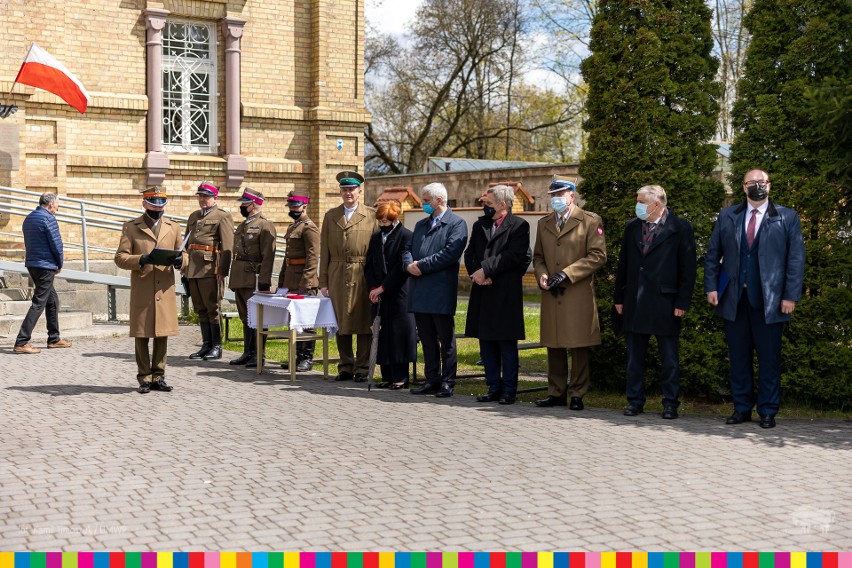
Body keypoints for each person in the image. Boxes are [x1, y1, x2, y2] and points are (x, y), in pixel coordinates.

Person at [704, 169, 805, 429]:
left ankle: (768, 410)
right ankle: (741, 408)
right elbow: (713, 253)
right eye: (752, 182)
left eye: (762, 182)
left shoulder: (786, 216)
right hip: (734, 298)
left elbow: (795, 259)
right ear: (743, 186)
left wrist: (790, 295)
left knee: (769, 358)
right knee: (738, 357)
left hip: (770, 300)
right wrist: (712, 287)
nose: (757, 186)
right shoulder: (728, 215)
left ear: (769, 185)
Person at [614, 185, 696, 419]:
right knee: (634, 358)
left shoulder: (680, 228)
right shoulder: (632, 227)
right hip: (635, 301)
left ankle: (670, 403)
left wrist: (682, 301)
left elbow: (687, 270)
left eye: (641, 201)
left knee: (669, 359)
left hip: (665, 303)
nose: (637, 205)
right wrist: (619, 297)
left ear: (657, 204)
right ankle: (634, 401)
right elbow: (623, 264)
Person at [533, 179, 606, 410]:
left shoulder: (590, 221)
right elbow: (538, 257)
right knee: (554, 344)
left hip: (576, 291)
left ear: (572, 196)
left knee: (578, 344)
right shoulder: (544, 223)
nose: (556, 198)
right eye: (553, 194)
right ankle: (556, 393)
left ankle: (577, 393)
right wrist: (542, 275)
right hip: (551, 292)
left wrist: (566, 274)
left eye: (561, 194)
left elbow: (597, 255)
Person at [464, 184, 531, 405]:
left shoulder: (519, 226)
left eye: (489, 203)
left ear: (503, 205)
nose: (485, 206)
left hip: (504, 292)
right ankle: (493, 386)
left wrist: (487, 269)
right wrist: (478, 272)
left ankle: (509, 390)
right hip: (483, 289)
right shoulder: (480, 225)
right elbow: (470, 252)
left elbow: (513, 256)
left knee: (506, 343)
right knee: (487, 342)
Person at [114, 187, 183, 393]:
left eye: (161, 204)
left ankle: (159, 376)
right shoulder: (131, 227)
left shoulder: (173, 227)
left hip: (164, 288)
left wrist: (181, 261)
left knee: (163, 334)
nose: (158, 209)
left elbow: (183, 253)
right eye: (153, 204)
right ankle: (144, 378)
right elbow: (120, 258)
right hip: (143, 287)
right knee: (142, 334)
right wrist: (140, 259)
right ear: (144, 204)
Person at [403, 182, 468, 398]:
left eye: (426, 200)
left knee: (445, 340)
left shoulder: (456, 224)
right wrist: (408, 264)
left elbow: (449, 254)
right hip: (419, 290)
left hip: (440, 290)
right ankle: (431, 379)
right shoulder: (421, 225)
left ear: (439, 200)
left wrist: (421, 266)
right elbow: (407, 248)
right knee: (428, 339)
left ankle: (448, 381)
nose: (423, 204)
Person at [319, 171, 377, 382]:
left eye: (351, 189)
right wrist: (323, 281)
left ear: (360, 191)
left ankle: (361, 368)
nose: (348, 193)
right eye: (344, 189)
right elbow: (324, 251)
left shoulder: (371, 216)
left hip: (362, 274)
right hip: (336, 273)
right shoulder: (331, 216)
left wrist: (376, 281)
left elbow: (377, 252)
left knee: (363, 322)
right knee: (339, 320)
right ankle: (345, 365)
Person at [365, 200, 417, 389]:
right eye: (380, 221)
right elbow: (369, 264)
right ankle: (386, 375)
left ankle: (400, 377)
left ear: (395, 220)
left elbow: (400, 268)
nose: (383, 225)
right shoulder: (376, 237)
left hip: (398, 293)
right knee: (382, 333)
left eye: (386, 222)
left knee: (398, 335)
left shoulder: (406, 236)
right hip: (379, 293)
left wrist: (383, 287)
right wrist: (372, 287)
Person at [14, 192, 71, 353]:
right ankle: (21, 341)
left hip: (33, 264)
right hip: (45, 266)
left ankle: (54, 338)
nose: (58, 207)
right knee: (39, 303)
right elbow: (56, 244)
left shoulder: (29, 218)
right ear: (51, 204)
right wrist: (59, 263)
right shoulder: (48, 218)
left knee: (52, 301)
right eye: (58, 204)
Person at [182, 181, 234, 361]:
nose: (203, 199)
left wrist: (223, 270)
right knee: (200, 308)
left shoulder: (222, 216)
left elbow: (228, 246)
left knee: (213, 308)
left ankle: (217, 346)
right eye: (200, 196)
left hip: (210, 267)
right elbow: (186, 242)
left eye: (206, 196)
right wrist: (183, 264)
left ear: (215, 197)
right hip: (193, 268)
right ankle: (206, 345)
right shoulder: (193, 216)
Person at [228, 187, 277, 368]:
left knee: (258, 317)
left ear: (254, 204)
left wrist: (264, 280)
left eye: (245, 203)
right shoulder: (243, 225)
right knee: (244, 316)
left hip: (254, 277)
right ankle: (248, 352)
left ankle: (259, 354)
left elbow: (268, 255)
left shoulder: (265, 225)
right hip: (240, 276)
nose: (242, 206)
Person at [276, 189, 320, 371]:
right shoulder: (292, 227)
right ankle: (297, 357)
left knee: (307, 322)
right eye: (291, 205)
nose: (293, 209)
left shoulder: (309, 228)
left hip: (304, 281)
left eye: (296, 206)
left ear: (304, 206)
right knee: (294, 321)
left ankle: (307, 359)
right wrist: (281, 282)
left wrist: (307, 282)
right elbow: (288, 258)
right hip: (291, 280)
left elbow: (313, 257)